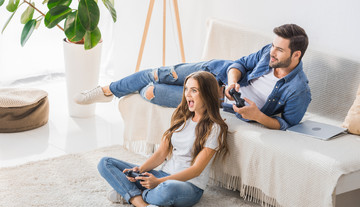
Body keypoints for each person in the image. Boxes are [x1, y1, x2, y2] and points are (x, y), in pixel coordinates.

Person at [75, 24, 310, 130]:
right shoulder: (267, 53)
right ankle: (106, 91)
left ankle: (116, 91)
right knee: (157, 73)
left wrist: (257, 116)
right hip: (213, 72)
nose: (272, 52)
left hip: (216, 101)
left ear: (296, 55)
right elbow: (238, 64)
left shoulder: (298, 90)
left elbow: (286, 124)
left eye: (280, 50)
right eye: (273, 46)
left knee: (151, 90)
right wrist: (231, 81)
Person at [97, 71, 228, 207]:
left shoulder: (215, 128)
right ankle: (143, 204)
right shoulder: (181, 119)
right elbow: (160, 154)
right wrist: (139, 171)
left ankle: (130, 195)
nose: (187, 94)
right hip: (162, 176)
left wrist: (158, 183)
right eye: (186, 89)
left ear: (207, 94)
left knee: (167, 189)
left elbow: (196, 170)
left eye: (194, 90)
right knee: (105, 163)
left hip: (188, 186)